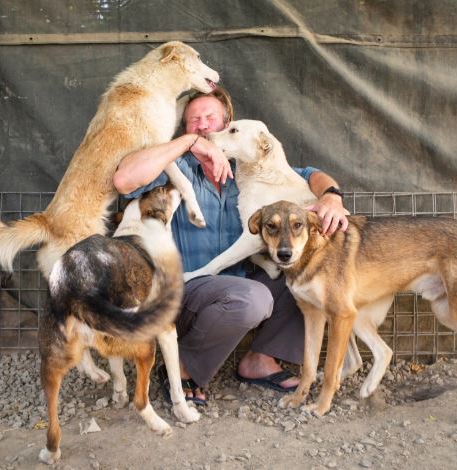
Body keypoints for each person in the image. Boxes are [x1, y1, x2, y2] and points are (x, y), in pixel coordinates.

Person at [113, 86, 350, 404]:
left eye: (210, 117)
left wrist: (331, 195)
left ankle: (260, 360)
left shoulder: (249, 170)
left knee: (307, 271)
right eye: (192, 120)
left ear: (227, 126)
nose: (202, 125)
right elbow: (125, 179)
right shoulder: (177, 168)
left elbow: (309, 175)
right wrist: (186, 143)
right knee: (251, 299)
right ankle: (182, 367)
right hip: (188, 286)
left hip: (238, 283)